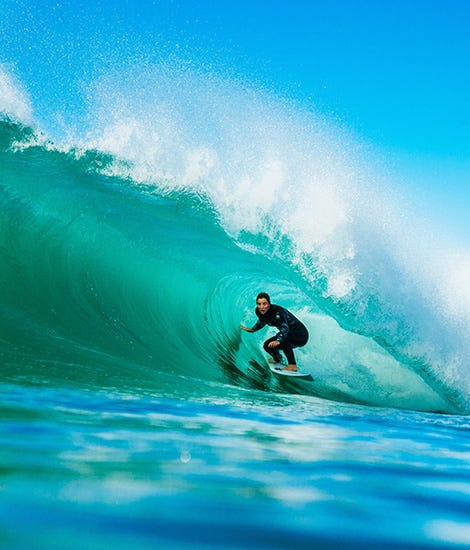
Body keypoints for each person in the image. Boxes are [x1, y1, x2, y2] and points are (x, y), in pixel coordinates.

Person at [241, 292, 309, 372]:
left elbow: (285, 327)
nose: (261, 307)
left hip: (301, 335)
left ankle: (292, 365)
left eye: (264, 304)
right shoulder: (259, 311)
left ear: (269, 304)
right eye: (259, 304)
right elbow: (263, 321)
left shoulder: (277, 312)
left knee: (284, 341)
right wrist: (252, 329)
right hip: (287, 334)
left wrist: (278, 340)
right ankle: (278, 359)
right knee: (267, 346)